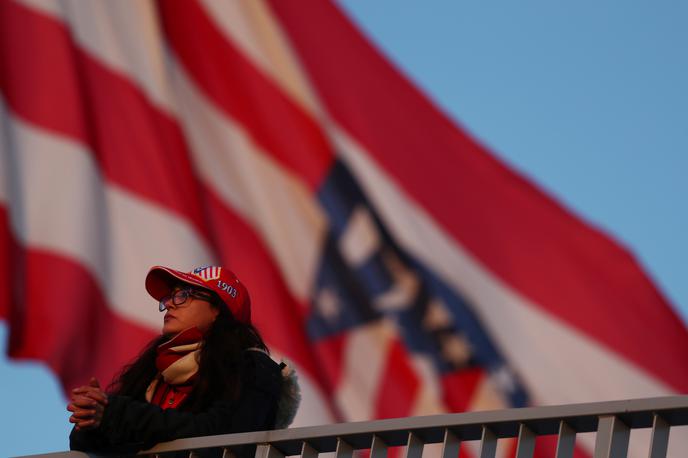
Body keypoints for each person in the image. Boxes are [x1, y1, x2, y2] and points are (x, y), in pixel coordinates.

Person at [67, 265, 300, 455]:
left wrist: (117, 414)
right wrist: (91, 418)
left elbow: (222, 435)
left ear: (218, 309)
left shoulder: (253, 367)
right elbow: (92, 447)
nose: (168, 303)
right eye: (170, 297)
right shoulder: (152, 371)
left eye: (183, 295)